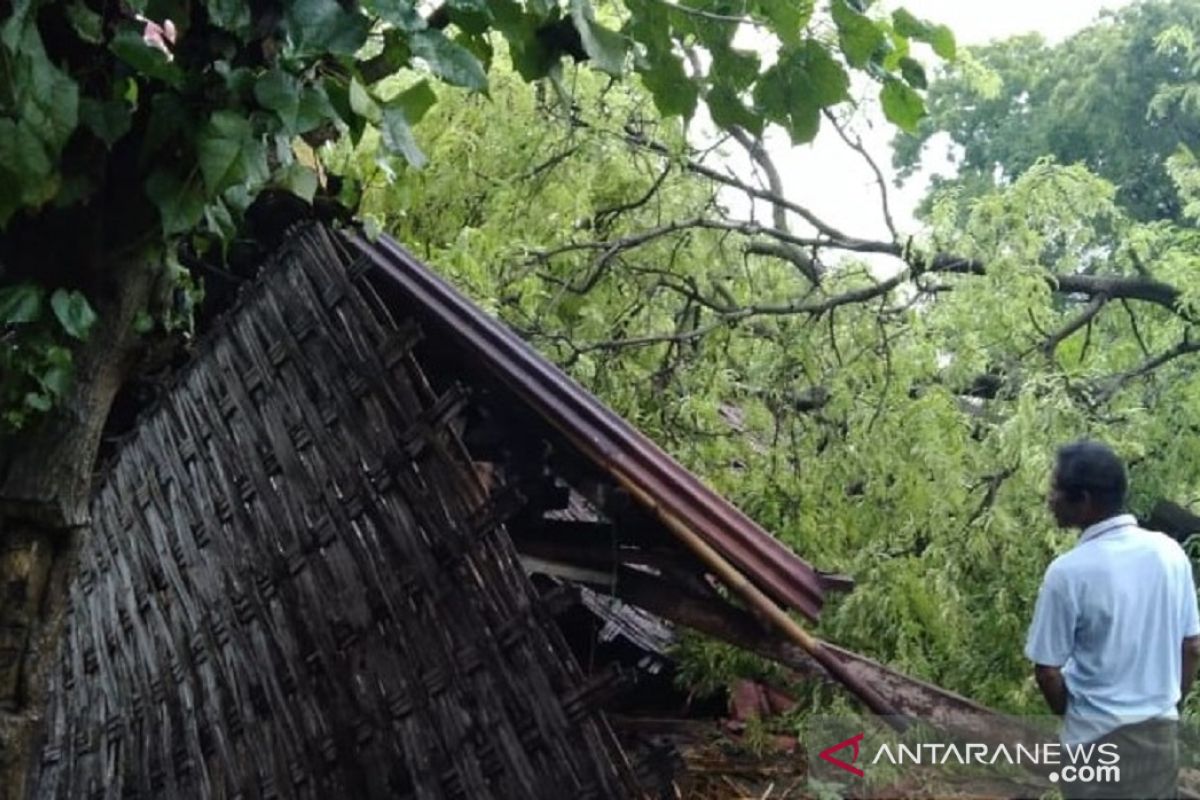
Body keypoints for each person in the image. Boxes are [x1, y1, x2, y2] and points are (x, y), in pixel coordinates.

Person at [1026, 440, 1200, 799]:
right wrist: (1169, 706)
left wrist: (1071, 713)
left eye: (1056, 489)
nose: (1049, 498)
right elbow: (1193, 646)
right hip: (1159, 740)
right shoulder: (1170, 553)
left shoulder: (1068, 573)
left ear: (1084, 500)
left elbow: (1047, 671)